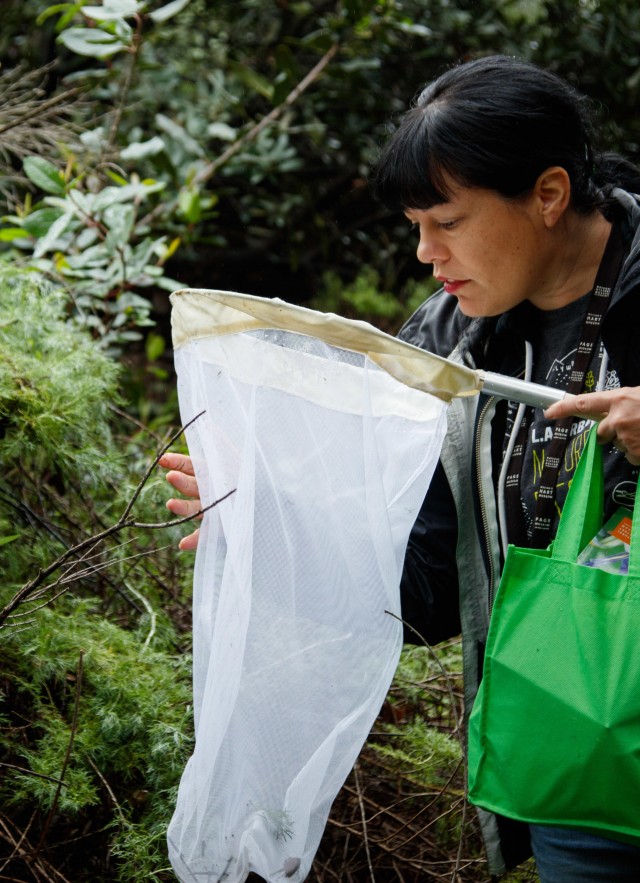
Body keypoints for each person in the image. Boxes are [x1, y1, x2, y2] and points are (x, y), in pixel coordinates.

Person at [162, 55, 640, 881]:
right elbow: (426, 588)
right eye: (416, 224)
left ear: (550, 194)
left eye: (447, 221)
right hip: (584, 768)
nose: (425, 252)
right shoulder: (453, 349)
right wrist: (269, 526)